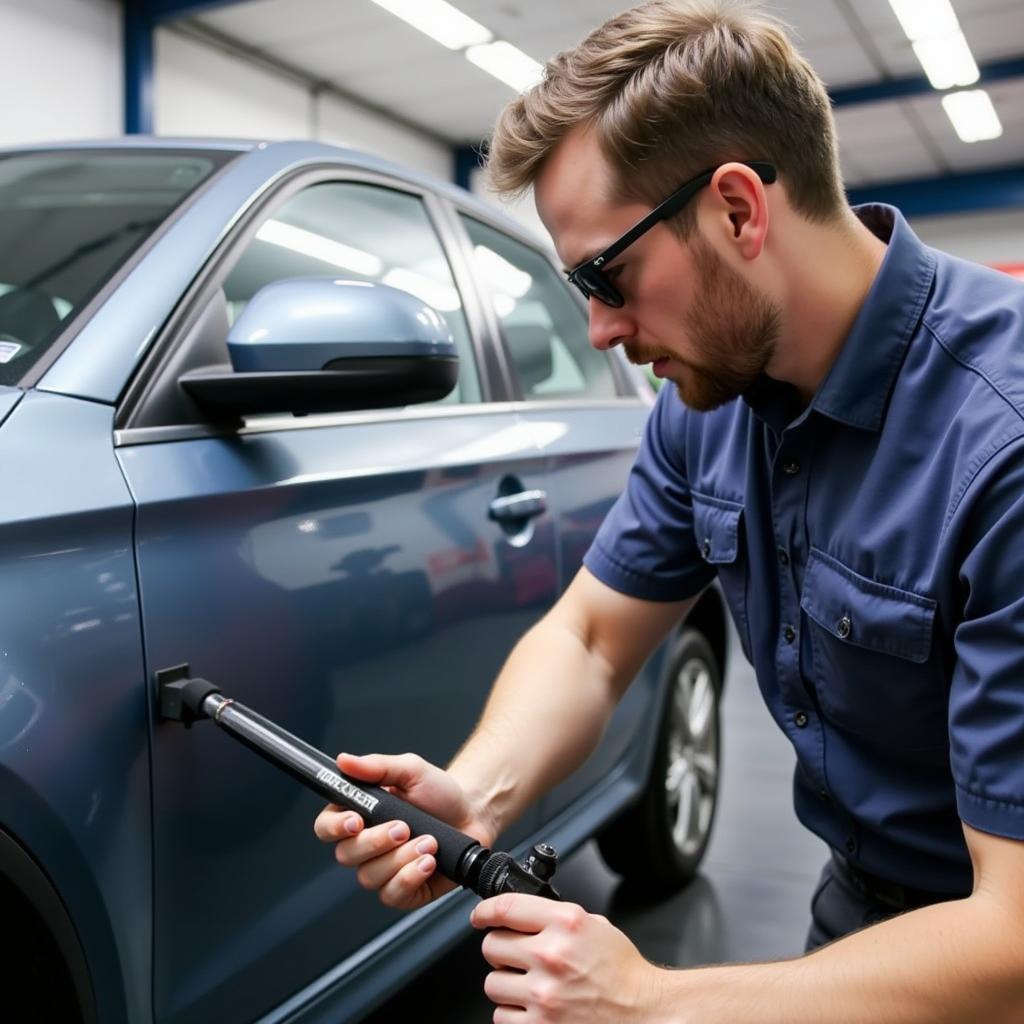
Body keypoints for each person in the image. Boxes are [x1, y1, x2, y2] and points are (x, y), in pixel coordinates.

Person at [314, 1, 1024, 1019]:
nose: (600, 328)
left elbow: (1011, 935)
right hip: (862, 911)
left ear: (737, 210)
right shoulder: (709, 403)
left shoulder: (1001, 443)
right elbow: (595, 635)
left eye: (609, 274)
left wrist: (654, 1001)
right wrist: (479, 792)